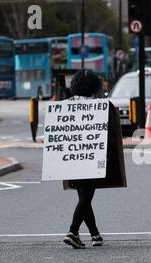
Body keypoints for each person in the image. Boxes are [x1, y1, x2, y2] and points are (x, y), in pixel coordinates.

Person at [63, 69, 104, 249]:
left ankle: (95, 235)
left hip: (71, 156)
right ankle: (72, 231)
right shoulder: (100, 105)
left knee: (83, 196)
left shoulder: (65, 105)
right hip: (92, 156)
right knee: (86, 197)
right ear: (94, 86)